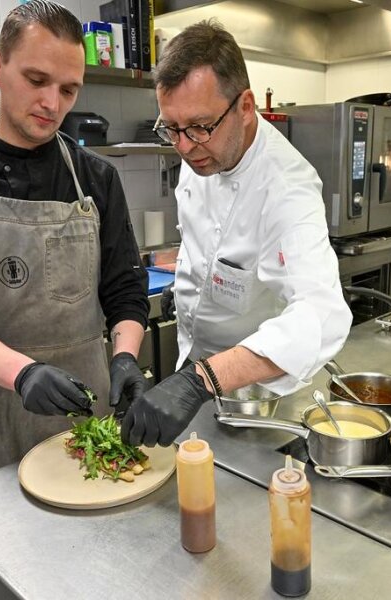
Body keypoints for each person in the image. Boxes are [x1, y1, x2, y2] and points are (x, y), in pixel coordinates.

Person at [0, 2, 149, 596]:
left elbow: (124, 287)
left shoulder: (97, 179)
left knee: (81, 572)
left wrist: (124, 355)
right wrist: (22, 374)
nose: (53, 104)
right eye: (37, 80)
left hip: (76, 415)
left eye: (69, 88)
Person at [121, 21, 352, 448]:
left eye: (200, 127)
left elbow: (323, 315)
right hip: (194, 372)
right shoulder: (201, 158)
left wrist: (203, 378)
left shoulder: (287, 186)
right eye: (171, 129)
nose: (186, 147)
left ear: (245, 106)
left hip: (257, 397)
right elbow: (202, 248)